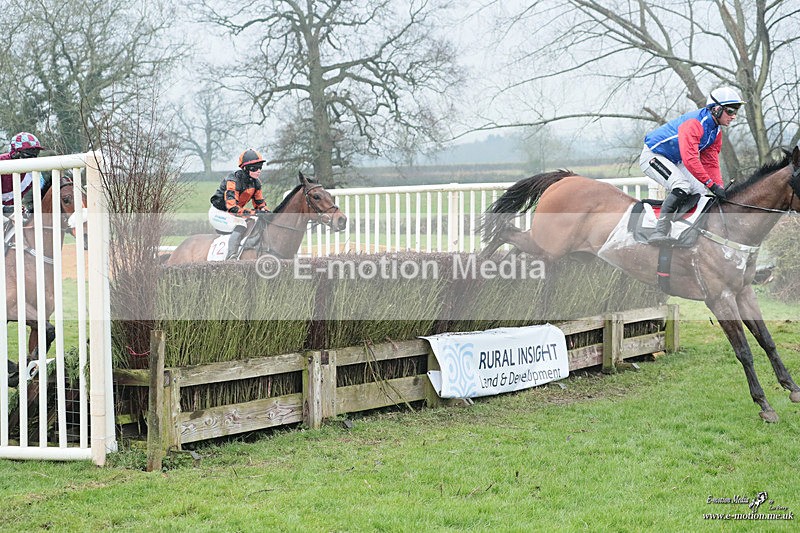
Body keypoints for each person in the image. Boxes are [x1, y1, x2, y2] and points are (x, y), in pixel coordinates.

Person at [640, 87, 744, 244]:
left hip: (674, 160)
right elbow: (690, 160)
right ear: (716, 109)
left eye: (736, 112)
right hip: (653, 156)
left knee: (700, 190)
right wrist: (711, 184)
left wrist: (718, 187)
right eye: (730, 111)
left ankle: (683, 229)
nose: (734, 116)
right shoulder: (694, 124)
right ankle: (659, 230)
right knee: (682, 185)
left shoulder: (715, 132)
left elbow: (711, 162)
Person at [208, 149, 270, 259]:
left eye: (260, 167)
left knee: (258, 221)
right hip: (219, 213)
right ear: (245, 168)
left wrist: (267, 212)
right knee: (241, 224)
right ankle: (231, 256)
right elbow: (232, 208)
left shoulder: (256, 183)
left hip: (233, 213)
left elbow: (260, 204)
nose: (258, 170)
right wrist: (254, 212)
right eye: (255, 168)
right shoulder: (233, 180)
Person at [1, 132, 44, 215]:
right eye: (29, 153)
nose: (33, 158)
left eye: (36, 153)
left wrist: (24, 207)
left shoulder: (34, 172)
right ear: (15, 153)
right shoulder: (2, 162)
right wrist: (4, 209)